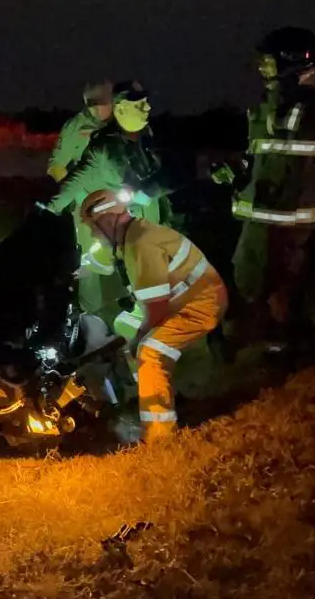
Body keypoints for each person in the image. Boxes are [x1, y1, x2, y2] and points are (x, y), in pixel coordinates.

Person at [212, 26, 315, 353]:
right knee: (276, 284)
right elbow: (267, 160)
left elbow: (294, 156)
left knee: (258, 283)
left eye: (268, 63)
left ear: (289, 62)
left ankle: (283, 346)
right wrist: (237, 174)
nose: (262, 70)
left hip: (277, 218)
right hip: (278, 215)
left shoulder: (298, 109)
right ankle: (290, 341)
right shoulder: (282, 109)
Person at [79, 189, 228, 442]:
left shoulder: (139, 244)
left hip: (198, 304)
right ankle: (154, 397)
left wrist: (140, 338)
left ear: (107, 220)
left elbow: (156, 309)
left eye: (94, 227)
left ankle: (159, 436)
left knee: (150, 351)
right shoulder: (134, 234)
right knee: (127, 329)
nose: (94, 234)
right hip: (187, 299)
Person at [44, 81, 170, 332]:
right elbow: (58, 167)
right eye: (109, 105)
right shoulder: (77, 128)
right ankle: (92, 317)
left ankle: (142, 311)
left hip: (123, 205)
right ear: (95, 106)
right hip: (92, 207)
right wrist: (74, 201)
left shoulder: (133, 132)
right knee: (90, 262)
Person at [47, 80, 114, 182]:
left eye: (104, 104)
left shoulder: (123, 120)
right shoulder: (75, 127)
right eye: (94, 105)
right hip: (85, 185)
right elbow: (56, 165)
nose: (99, 110)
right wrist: (69, 187)